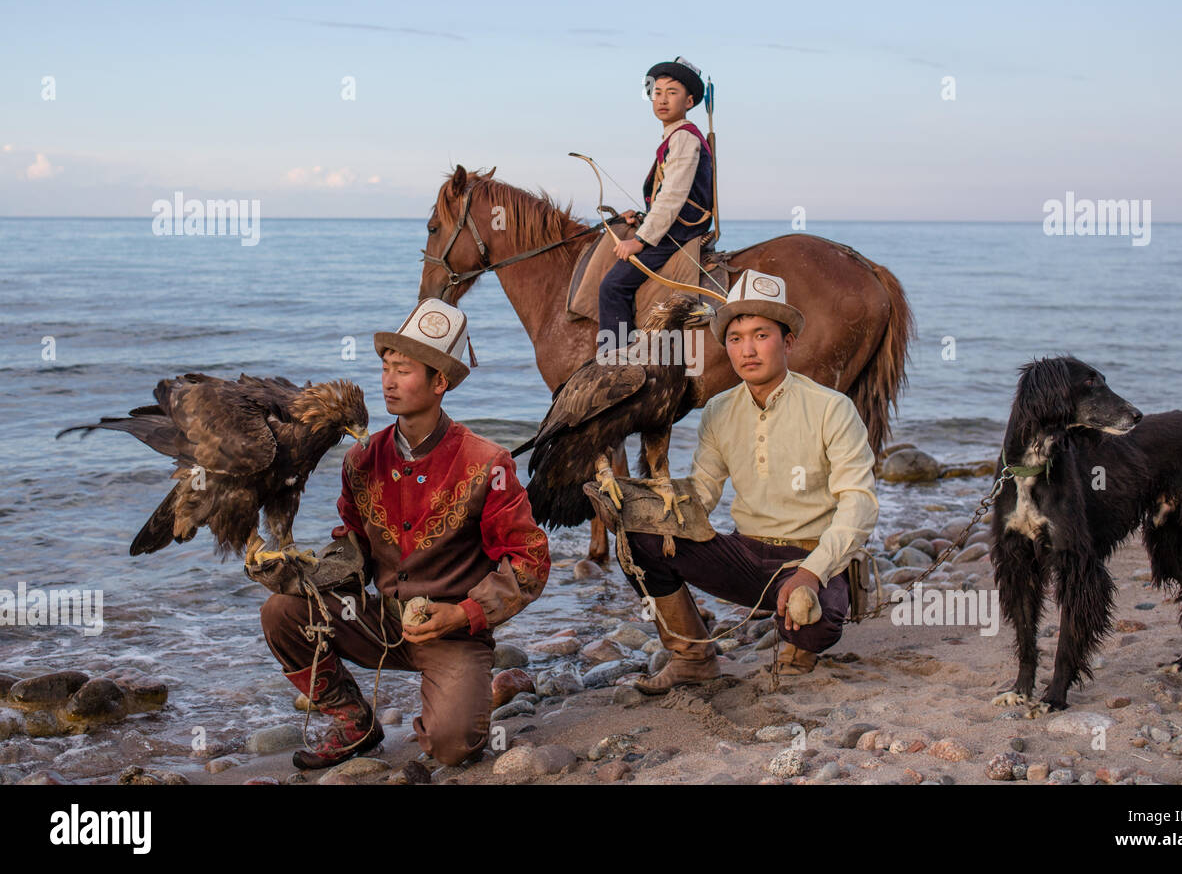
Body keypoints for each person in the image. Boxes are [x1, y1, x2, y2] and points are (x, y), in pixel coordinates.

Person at [257, 298, 550, 769]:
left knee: (454, 747)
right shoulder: (361, 459)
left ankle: (449, 702)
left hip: (455, 631)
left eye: (405, 370)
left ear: (440, 382)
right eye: (387, 368)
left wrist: (463, 614)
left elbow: (529, 561)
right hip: (381, 622)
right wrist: (297, 570)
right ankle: (353, 720)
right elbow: (351, 546)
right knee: (281, 612)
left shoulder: (487, 463)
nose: (389, 381)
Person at [617, 269, 879, 693]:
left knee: (812, 627)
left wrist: (812, 574)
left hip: (811, 559)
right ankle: (692, 657)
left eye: (761, 335)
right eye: (736, 338)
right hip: (744, 555)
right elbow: (702, 492)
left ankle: (800, 640)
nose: (747, 349)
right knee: (637, 539)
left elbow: (860, 503)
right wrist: (641, 505)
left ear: (788, 341)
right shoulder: (718, 410)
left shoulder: (832, 408)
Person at [598, 56, 715, 342]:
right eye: (657, 93)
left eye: (672, 93)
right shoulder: (673, 137)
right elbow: (666, 194)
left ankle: (618, 360)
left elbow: (674, 194)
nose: (662, 100)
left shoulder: (684, 137)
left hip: (680, 229)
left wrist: (640, 239)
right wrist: (641, 216)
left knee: (613, 286)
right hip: (675, 223)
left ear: (689, 102)